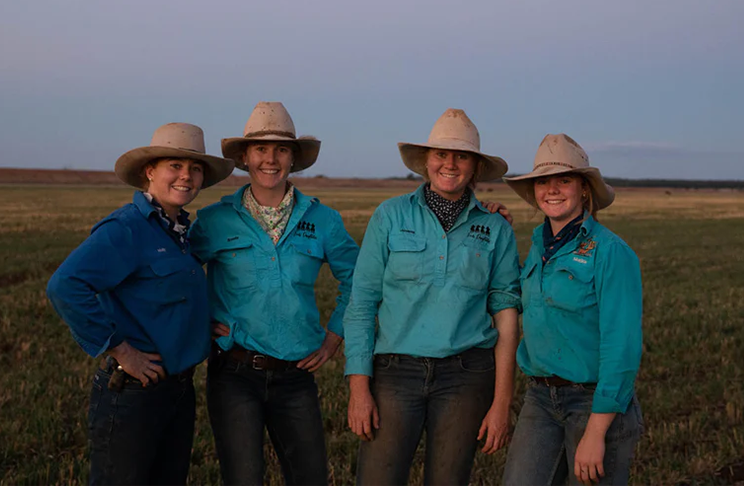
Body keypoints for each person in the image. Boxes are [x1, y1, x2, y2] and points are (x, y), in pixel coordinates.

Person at [46, 123, 234, 485]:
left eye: (195, 169)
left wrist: (197, 323)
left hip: (177, 390)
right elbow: (65, 285)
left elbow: (161, 296)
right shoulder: (127, 228)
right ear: (150, 171)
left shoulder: (178, 232)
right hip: (133, 394)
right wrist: (120, 349)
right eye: (175, 166)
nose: (186, 176)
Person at [344, 108, 522, 486]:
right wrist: (359, 388)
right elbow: (361, 304)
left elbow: (507, 317)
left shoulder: (495, 228)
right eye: (441, 154)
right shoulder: (389, 216)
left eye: (462, 156)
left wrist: (502, 402)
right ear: (426, 161)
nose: (450, 164)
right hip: (395, 374)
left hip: (466, 376)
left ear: (475, 167)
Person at [188, 102, 359, 486]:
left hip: (296, 375)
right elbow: (176, 276)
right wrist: (197, 322)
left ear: (294, 159)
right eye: (261, 149)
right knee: (243, 477)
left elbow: (360, 280)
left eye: (281, 149)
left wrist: (333, 339)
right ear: (244, 158)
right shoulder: (215, 221)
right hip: (233, 372)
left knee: (310, 477)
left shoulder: (323, 220)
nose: (271, 158)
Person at [502, 134, 643, 485]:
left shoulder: (610, 252)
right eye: (543, 181)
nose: (552, 189)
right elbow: (520, 302)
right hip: (540, 398)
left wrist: (596, 432)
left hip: (593, 401)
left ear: (583, 189)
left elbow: (622, 347)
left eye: (564, 180)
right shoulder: (538, 246)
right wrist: (495, 228)